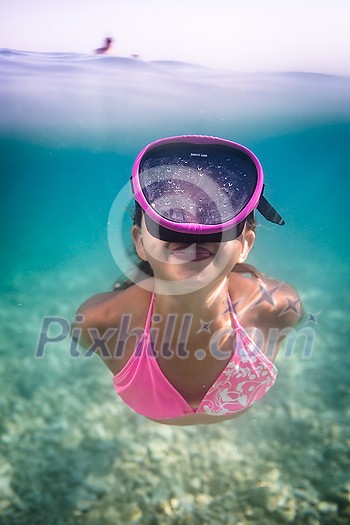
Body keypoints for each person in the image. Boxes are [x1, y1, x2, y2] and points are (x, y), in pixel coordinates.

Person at [73, 135, 302, 426]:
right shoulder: (97, 323)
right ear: (140, 241)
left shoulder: (279, 308)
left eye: (215, 210)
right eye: (172, 211)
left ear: (245, 244)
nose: (192, 230)